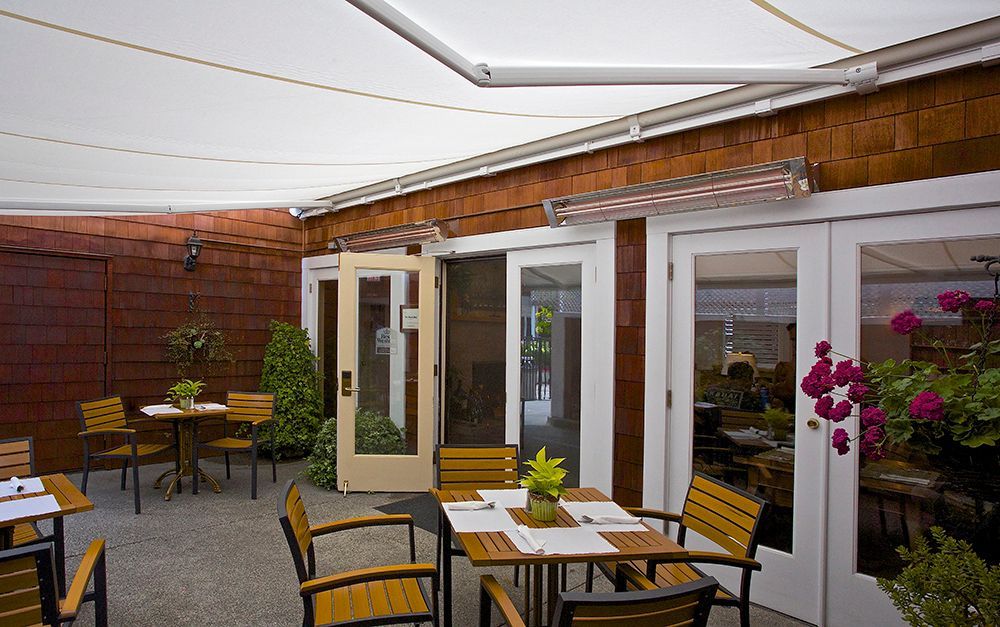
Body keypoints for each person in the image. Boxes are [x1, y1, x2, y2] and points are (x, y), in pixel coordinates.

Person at [771, 323, 797, 411]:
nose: (794, 344)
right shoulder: (785, 365)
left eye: (796, 339)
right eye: (792, 340)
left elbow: (790, 391)